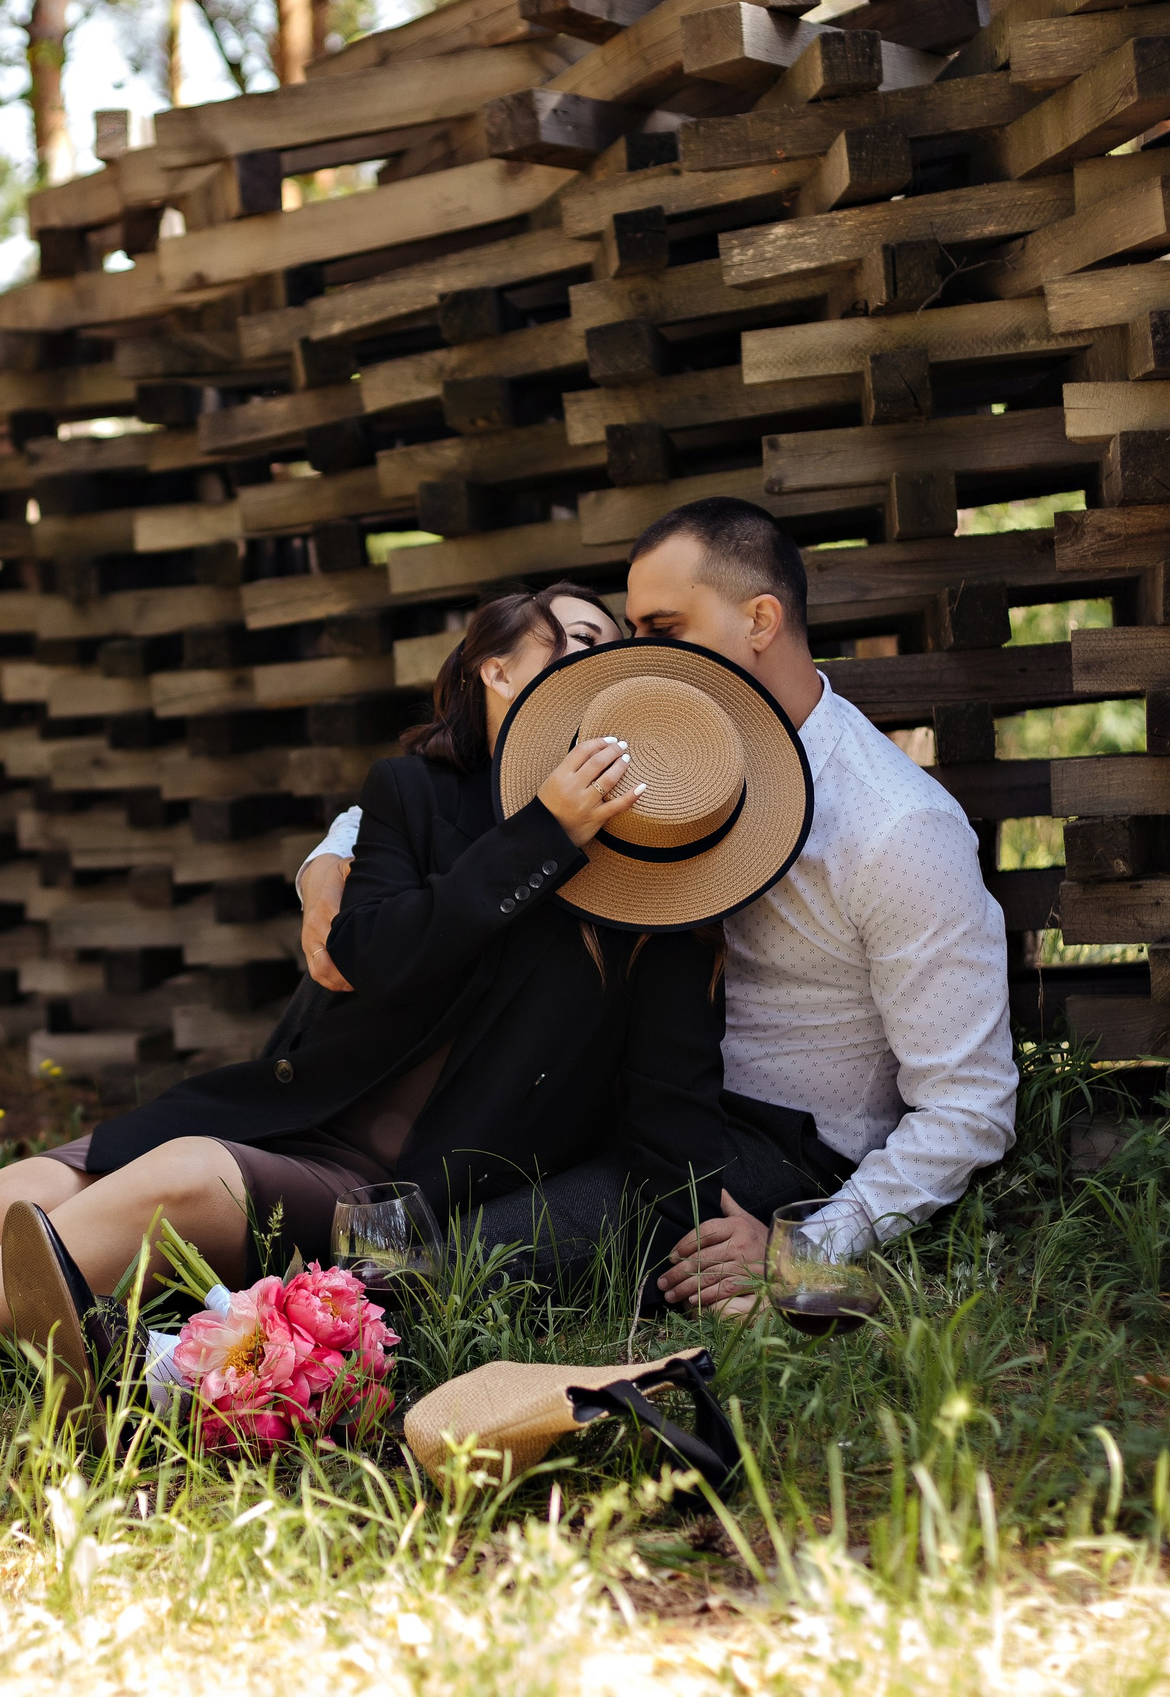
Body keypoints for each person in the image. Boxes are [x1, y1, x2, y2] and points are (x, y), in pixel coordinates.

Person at [0, 583, 774, 1428]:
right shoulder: (412, 800)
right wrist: (534, 833)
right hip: (285, 1114)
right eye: (571, 636)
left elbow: (670, 1093)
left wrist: (729, 1236)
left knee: (175, 1178)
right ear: (494, 671)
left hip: (389, 1197)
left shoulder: (654, 890)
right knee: (15, 1193)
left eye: (617, 642)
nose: (601, 655)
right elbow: (380, 957)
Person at [296, 499, 1018, 1311]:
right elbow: (480, 787)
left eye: (663, 629)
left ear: (760, 620)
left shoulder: (895, 824)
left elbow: (970, 1103)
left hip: (763, 1147)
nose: (638, 657)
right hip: (614, 1097)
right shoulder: (654, 753)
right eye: (629, 630)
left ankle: (199, 1363)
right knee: (374, 1227)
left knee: (446, 1272)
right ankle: (204, 1321)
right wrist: (332, 851)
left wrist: (809, 1240)